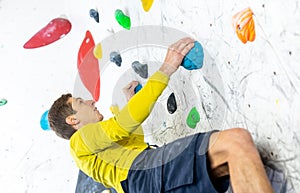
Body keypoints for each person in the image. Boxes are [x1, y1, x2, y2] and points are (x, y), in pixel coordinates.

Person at [48, 37, 274, 193]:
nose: (90, 101)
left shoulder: (96, 151)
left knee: (232, 154)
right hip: (143, 174)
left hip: (142, 178)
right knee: (234, 143)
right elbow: (122, 125)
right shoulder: (79, 141)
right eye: (80, 102)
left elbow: (132, 140)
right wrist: (167, 67)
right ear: (73, 120)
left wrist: (131, 102)